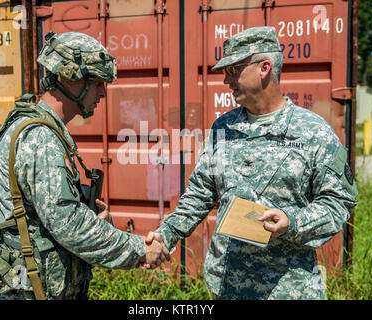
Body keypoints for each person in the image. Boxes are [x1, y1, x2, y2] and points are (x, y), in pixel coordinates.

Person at [145, 26, 358, 299]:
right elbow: (199, 196)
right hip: (227, 285)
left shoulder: (313, 132)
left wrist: (291, 222)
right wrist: (164, 236)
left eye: (234, 70)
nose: (226, 81)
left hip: (288, 290)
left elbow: (339, 203)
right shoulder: (224, 126)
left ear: (264, 67)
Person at [0, 31, 169, 300]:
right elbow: (70, 226)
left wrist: (89, 214)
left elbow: (43, 213)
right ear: (69, 78)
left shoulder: (32, 125)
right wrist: (139, 249)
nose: (103, 92)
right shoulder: (41, 138)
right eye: (97, 82)